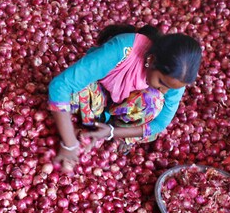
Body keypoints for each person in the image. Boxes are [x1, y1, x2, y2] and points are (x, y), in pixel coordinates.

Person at [48, 24, 202, 171]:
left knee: (155, 101)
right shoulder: (124, 49)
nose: (165, 90)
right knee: (76, 90)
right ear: (151, 60)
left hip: (123, 113)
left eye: (171, 88)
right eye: (161, 82)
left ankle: (111, 129)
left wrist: (112, 131)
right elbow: (60, 86)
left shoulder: (177, 77)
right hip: (97, 94)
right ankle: (85, 125)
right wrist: (69, 144)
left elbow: (160, 123)